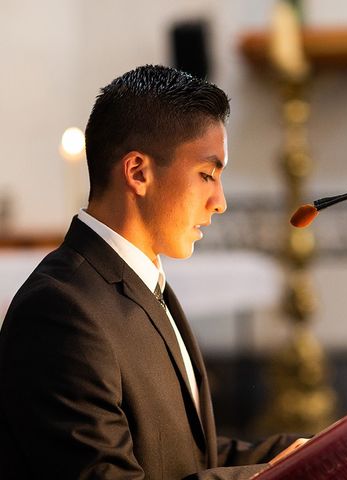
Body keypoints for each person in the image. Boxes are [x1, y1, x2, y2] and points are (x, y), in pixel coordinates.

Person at [0, 65, 298, 479]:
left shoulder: (143, 281)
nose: (219, 201)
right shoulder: (61, 310)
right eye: (207, 175)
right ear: (138, 172)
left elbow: (186, 453)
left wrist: (303, 454)